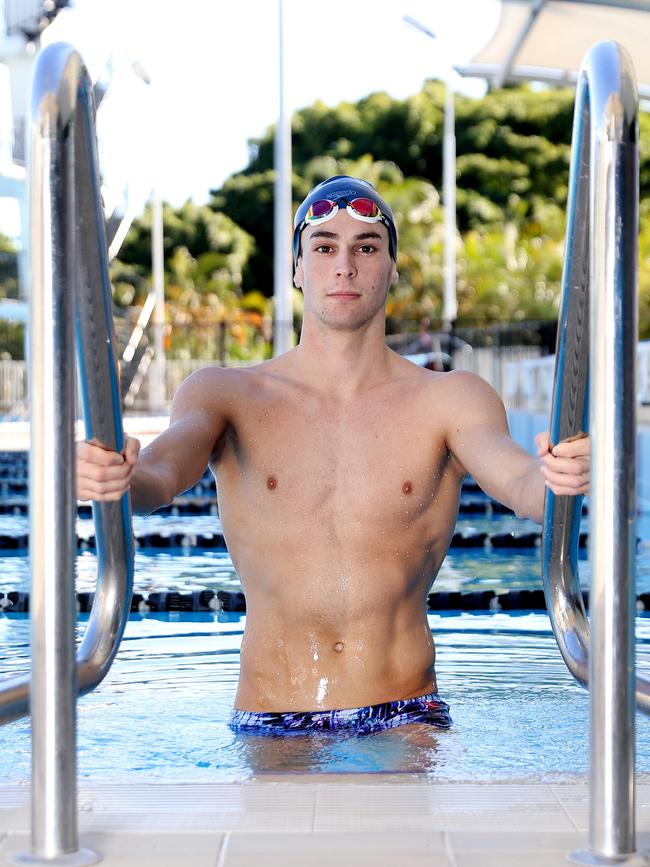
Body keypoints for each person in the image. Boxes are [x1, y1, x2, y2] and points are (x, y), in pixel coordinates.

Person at [76, 176, 590, 738]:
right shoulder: (225, 394)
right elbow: (159, 474)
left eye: (366, 247)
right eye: (324, 247)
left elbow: (518, 481)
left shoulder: (450, 399)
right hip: (271, 713)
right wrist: (118, 477)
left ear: (392, 267)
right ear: (297, 268)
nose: (344, 265)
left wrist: (558, 478)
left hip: (404, 716)